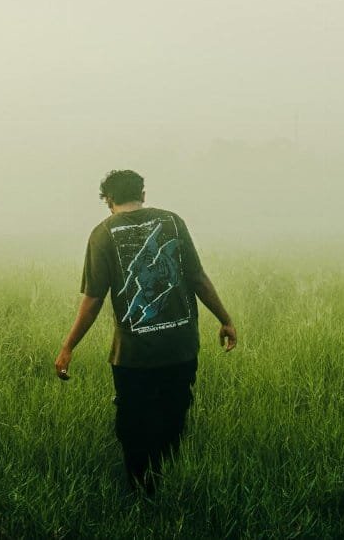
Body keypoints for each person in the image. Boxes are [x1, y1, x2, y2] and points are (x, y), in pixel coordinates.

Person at [54, 169, 238, 494]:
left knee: (134, 424)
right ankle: (168, 477)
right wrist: (225, 319)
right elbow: (197, 277)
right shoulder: (172, 222)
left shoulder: (102, 233)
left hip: (133, 355)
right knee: (174, 412)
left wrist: (68, 346)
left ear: (108, 200)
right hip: (180, 346)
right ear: (143, 193)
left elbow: (93, 299)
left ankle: (142, 491)